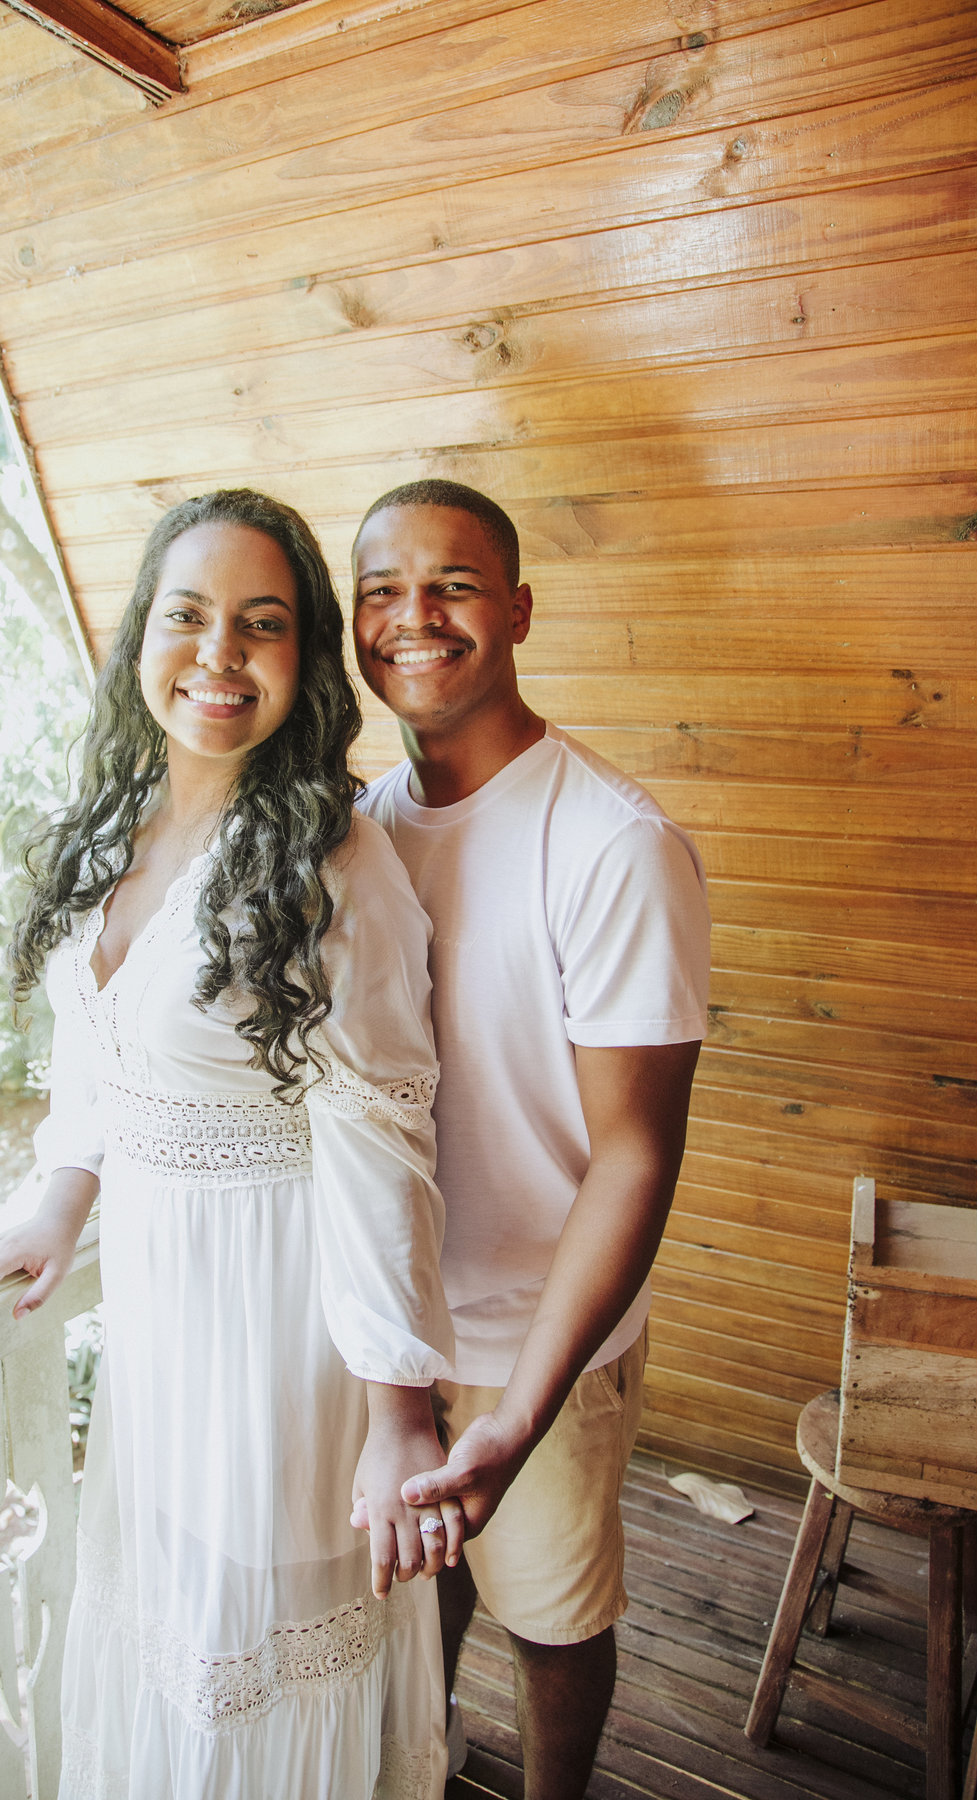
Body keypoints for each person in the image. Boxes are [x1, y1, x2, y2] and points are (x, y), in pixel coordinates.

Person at [0, 489, 462, 1800]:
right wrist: (59, 1199)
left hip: (283, 1317)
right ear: (141, 636)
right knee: (173, 1624)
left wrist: (400, 1415)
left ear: (305, 657)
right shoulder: (118, 827)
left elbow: (381, 1146)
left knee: (260, 1644)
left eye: (261, 624)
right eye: (189, 615)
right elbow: (99, 1050)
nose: (220, 652)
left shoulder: (337, 866)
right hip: (165, 1315)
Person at [349, 479, 711, 1798]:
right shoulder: (361, 833)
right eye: (382, 591)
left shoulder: (613, 844)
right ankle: (431, 1760)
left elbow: (635, 1154)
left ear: (516, 611)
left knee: (552, 1617)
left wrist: (522, 1409)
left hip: (537, 1342)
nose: (415, 616)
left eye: (451, 585)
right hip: (386, 1331)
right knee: (419, 1585)